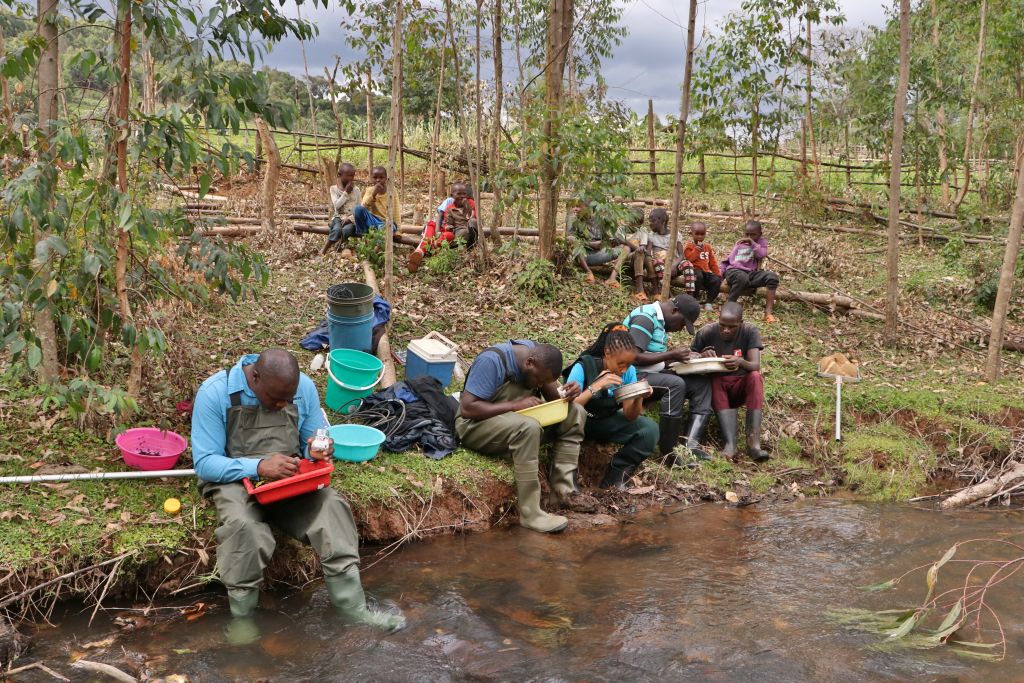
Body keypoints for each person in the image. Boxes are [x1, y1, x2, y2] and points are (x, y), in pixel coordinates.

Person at [190, 349, 403, 643]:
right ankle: (244, 617)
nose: (282, 404)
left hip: (288, 478)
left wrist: (318, 448)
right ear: (254, 378)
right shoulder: (216, 393)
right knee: (244, 528)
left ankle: (353, 608)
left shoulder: (301, 387)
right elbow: (205, 462)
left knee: (332, 508)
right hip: (234, 480)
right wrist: (259, 466)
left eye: (287, 400)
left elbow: (315, 435)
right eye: (275, 399)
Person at [456, 340, 596, 534]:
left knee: (576, 412)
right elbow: (467, 408)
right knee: (528, 426)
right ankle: (531, 513)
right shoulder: (492, 361)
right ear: (529, 363)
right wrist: (514, 405)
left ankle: (563, 491)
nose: (540, 385)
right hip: (475, 425)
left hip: (516, 422)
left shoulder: (539, 360)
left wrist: (568, 393)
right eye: (539, 381)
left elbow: (555, 399)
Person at [565, 323, 658, 489]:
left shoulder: (629, 372)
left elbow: (630, 415)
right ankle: (568, 480)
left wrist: (638, 396)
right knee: (576, 412)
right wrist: (596, 386)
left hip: (606, 422)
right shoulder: (583, 366)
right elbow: (569, 407)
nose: (624, 370)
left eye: (629, 365)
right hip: (578, 423)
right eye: (621, 364)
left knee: (649, 429)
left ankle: (616, 477)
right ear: (607, 353)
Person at [623, 294, 712, 462]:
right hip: (630, 376)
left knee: (701, 384)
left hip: (651, 373)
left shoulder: (661, 324)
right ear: (674, 310)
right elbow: (633, 357)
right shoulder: (645, 318)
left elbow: (656, 357)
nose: (680, 329)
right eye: (682, 323)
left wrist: (692, 357)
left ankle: (691, 445)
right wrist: (672, 354)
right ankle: (668, 452)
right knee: (675, 384)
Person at [691, 302, 769, 462]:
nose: (726, 330)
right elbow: (689, 358)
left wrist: (740, 362)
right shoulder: (706, 332)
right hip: (717, 390)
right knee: (715, 377)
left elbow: (755, 365)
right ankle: (730, 444)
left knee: (755, 376)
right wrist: (701, 355)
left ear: (740, 323)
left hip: (740, 386)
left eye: (731, 326)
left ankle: (753, 444)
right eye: (722, 325)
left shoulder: (750, 331)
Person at [408, 182, 478, 273]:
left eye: (464, 194)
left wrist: (467, 206)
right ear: (452, 194)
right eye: (459, 194)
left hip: (457, 231)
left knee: (451, 235)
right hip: (445, 229)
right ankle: (420, 252)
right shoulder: (449, 204)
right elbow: (441, 217)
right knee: (432, 227)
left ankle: (432, 249)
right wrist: (439, 231)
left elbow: (472, 216)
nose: (462, 196)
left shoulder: (469, 203)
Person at [630, 207, 696, 302]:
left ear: (662, 221)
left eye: (652, 221)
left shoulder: (674, 234)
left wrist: (674, 265)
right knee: (657, 262)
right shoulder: (651, 236)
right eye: (649, 221)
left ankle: (690, 296)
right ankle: (669, 295)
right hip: (661, 268)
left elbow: (681, 255)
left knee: (688, 264)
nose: (650, 223)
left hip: (675, 266)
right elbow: (648, 254)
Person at [721, 220, 781, 323]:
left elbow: (761, 254)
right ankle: (728, 308)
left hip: (750, 274)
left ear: (760, 234)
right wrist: (720, 276)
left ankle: (768, 313)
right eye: (747, 234)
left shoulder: (761, 243)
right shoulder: (739, 243)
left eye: (752, 235)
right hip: (734, 271)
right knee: (742, 278)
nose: (748, 237)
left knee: (772, 277)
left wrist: (753, 243)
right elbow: (727, 261)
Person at [565, 200, 632, 287]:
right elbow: (569, 240)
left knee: (625, 248)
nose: (575, 209)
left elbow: (607, 238)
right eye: (573, 207)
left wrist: (605, 243)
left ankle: (612, 279)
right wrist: (591, 244)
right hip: (581, 256)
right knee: (571, 239)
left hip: (598, 255)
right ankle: (588, 273)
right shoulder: (572, 219)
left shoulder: (598, 221)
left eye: (578, 206)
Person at [322, 163, 362, 254]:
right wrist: (346, 193)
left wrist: (350, 219)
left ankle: (338, 245)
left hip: (351, 219)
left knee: (346, 230)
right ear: (339, 175)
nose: (351, 178)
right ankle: (324, 249)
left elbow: (359, 208)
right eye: (348, 176)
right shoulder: (334, 189)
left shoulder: (356, 190)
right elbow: (336, 205)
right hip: (338, 217)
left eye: (353, 176)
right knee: (337, 230)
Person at [683, 221, 722, 310]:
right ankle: (694, 299)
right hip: (694, 270)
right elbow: (688, 259)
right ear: (691, 233)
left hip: (706, 272)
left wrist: (718, 274)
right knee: (698, 276)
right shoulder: (689, 246)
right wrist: (696, 251)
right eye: (697, 234)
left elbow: (712, 262)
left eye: (702, 234)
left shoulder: (707, 247)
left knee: (716, 280)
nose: (700, 237)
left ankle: (709, 301)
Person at [353, 166, 397, 236]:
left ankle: (377, 238)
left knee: (384, 229)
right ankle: (363, 235)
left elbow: (396, 210)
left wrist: (399, 231)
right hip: (373, 220)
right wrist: (373, 194)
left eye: (381, 178)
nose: (378, 180)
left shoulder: (392, 190)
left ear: (386, 178)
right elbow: (363, 206)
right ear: (372, 178)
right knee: (357, 208)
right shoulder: (370, 190)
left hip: (387, 222)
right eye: (375, 178)